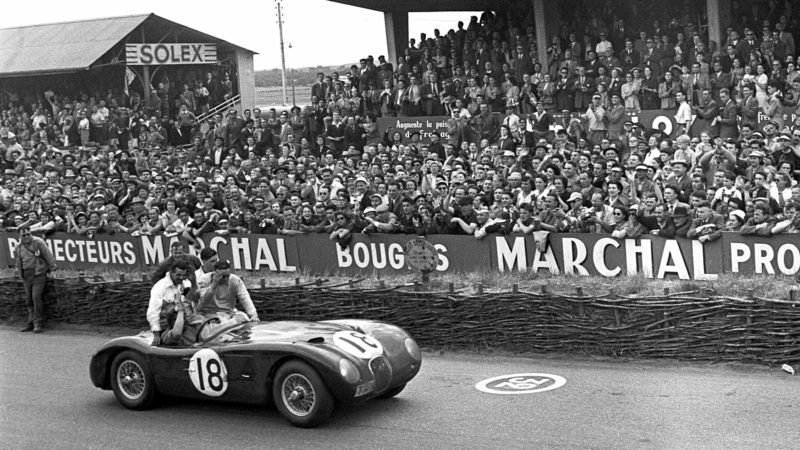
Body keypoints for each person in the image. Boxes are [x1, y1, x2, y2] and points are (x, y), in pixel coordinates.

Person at [16, 227, 57, 333]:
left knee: (36, 297)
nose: (26, 237)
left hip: (38, 273)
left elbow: (48, 255)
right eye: (23, 235)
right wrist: (20, 273)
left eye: (28, 234)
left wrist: (52, 269)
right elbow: (18, 261)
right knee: (29, 299)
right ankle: (30, 322)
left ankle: (38, 323)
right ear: (20, 236)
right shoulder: (18, 246)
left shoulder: (38, 242)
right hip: (26, 274)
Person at [195, 260, 260, 323]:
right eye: (223, 276)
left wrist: (253, 315)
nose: (226, 279)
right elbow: (203, 299)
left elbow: (244, 297)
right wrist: (214, 284)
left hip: (227, 313)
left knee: (243, 317)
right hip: (207, 313)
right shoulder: (204, 279)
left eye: (227, 276)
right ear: (214, 273)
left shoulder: (234, 280)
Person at [146, 259, 192, 346]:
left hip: (186, 324)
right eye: (178, 275)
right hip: (167, 327)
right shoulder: (159, 287)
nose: (181, 278)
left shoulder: (186, 284)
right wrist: (156, 334)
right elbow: (153, 312)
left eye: (183, 275)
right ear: (171, 272)